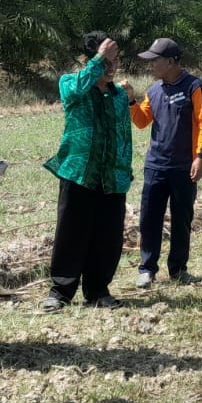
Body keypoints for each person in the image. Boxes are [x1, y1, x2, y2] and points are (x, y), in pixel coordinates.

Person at [42, 32, 129, 311]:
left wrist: (125, 170)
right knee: (71, 233)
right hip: (79, 172)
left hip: (112, 177)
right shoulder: (71, 83)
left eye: (114, 61)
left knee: (107, 236)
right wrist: (99, 59)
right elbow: (76, 88)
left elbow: (124, 136)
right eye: (105, 62)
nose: (110, 67)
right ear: (87, 60)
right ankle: (60, 292)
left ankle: (98, 291)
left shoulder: (118, 96)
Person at [129, 38, 202, 288]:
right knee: (149, 218)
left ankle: (178, 269)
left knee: (181, 219)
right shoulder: (153, 90)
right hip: (156, 165)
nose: (151, 65)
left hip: (184, 166)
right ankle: (147, 268)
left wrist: (201, 156)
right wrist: (132, 101)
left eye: (154, 60)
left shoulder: (193, 86)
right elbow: (142, 121)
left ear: (171, 61)